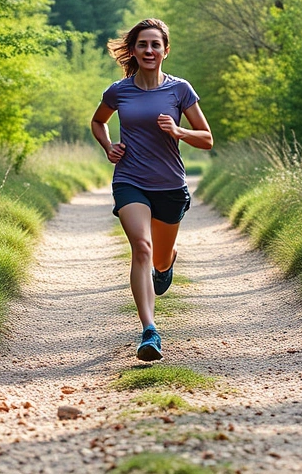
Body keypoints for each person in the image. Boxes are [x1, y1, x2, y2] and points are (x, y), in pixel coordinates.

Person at [90, 18, 214, 361]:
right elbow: (98, 121)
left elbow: (207, 138)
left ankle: (167, 263)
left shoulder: (180, 90)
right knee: (141, 248)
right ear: (133, 50)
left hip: (170, 186)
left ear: (165, 51)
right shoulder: (119, 91)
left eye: (155, 45)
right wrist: (108, 146)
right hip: (130, 179)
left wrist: (179, 131)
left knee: (158, 258)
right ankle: (149, 330)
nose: (149, 50)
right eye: (142, 44)